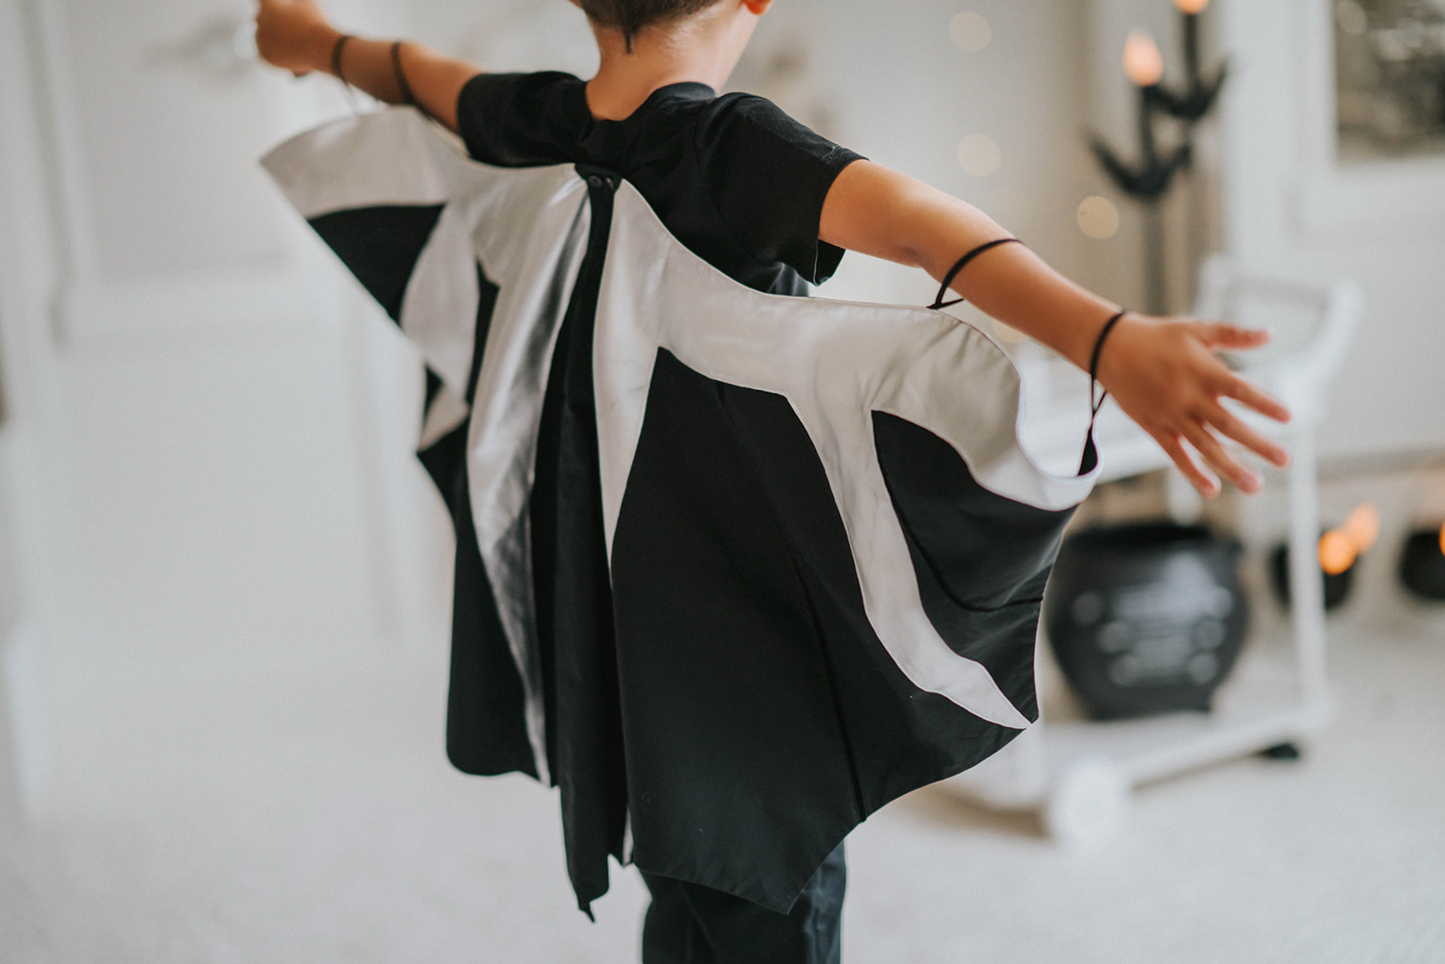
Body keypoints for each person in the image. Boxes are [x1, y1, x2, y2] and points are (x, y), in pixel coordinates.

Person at [253, 2, 1292, 961]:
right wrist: (1105, 339)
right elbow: (923, 224)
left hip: (613, 608)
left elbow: (411, 73)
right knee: (763, 875)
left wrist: (310, 41)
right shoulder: (726, 147)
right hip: (737, 614)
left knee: (678, 846)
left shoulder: (539, 116)